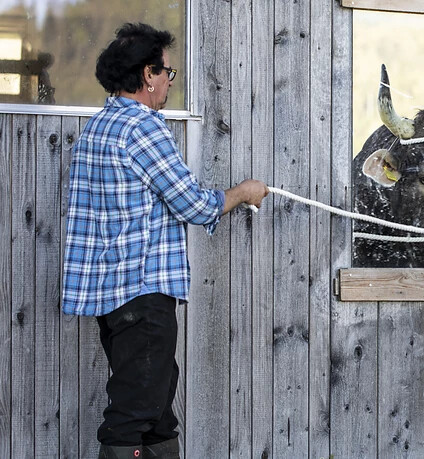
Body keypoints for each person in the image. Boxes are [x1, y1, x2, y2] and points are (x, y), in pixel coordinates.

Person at [61, 23, 269, 459]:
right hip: (144, 296)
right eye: (168, 74)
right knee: (135, 413)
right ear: (147, 74)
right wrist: (243, 192)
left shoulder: (97, 130)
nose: (170, 83)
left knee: (156, 411)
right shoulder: (143, 129)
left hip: (112, 298)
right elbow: (194, 204)